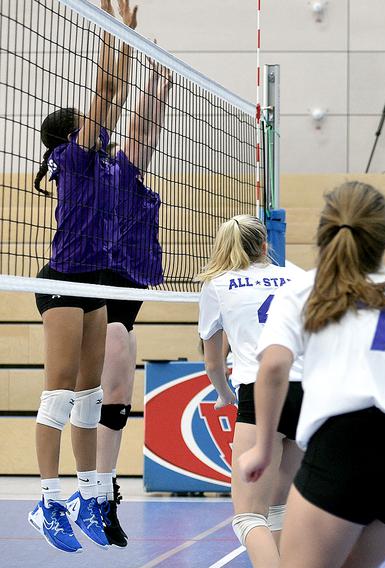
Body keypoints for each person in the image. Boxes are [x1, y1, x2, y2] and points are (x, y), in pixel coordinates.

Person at [236, 181, 385, 568]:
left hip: (346, 443)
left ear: (324, 232)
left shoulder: (306, 288)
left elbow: (274, 367)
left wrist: (263, 448)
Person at [27, 0, 141, 553]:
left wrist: (130, 45)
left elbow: (112, 98)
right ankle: (46, 500)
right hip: (63, 281)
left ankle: (91, 496)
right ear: (72, 137)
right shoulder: (74, 158)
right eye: (91, 125)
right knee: (59, 393)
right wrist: (111, 34)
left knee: (90, 395)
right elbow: (105, 92)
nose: (104, 128)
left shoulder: (95, 162)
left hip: (93, 281)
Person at [96, 50, 173, 549]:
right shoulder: (87, 172)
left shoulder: (117, 173)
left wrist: (161, 88)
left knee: (117, 390)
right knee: (108, 382)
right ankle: (95, 491)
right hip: (92, 284)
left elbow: (141, 132)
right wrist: (121, 45)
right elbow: (109, 106)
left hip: (125, 286)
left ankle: (100, 490)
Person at [196, 215, 306, 567]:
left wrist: (225, 394)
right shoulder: (297, 275)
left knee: (247, 517)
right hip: (309, 391)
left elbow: (213, 363)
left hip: (261, 392)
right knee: (277, 509)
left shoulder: (217, 284)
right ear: (264, 245)